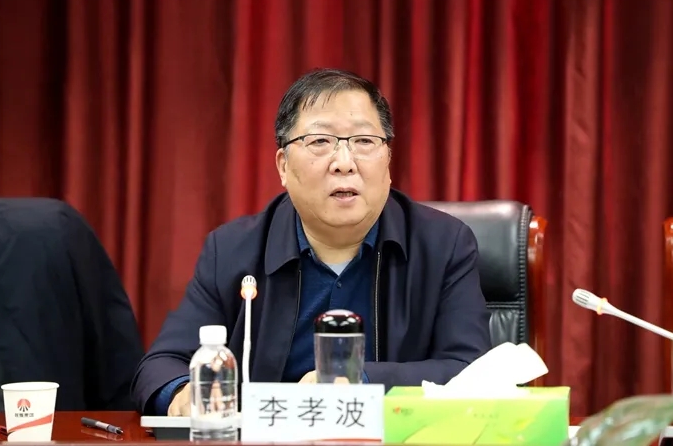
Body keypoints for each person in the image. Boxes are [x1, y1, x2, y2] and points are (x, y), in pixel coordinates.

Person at [131, 68, 492, 416]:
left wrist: (359, 381)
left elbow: (472, 370)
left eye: (364, 141)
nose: (344, 163)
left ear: (388, 160)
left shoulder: (444, 244)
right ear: (283, 166)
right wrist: (181, 392)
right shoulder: (231, 250)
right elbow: (162, 365)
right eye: (320, 142)